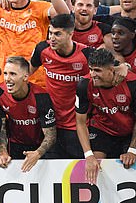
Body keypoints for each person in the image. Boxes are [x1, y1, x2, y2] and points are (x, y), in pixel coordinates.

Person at [75, 49, 136, 184]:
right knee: (95, 166)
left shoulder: (132, 83)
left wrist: (132, 150)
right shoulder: (84, 84)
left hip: (128, 130)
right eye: (91, 69)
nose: (93, 74)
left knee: (133, 165)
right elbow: (80, 122)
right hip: (102, 128)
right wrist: (88, 155)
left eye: (97, 70)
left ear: (111, 70)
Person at [30, 14, 95, 158]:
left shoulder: (86, 54)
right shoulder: (42, 49)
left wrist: (123, 66)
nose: (52, 38)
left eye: (58, 34)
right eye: (50, 33)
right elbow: (25, 73)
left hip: (77, 125)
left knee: (77, 174)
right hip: (51, 124)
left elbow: (111, 67)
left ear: (71, 34)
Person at [0, 56, 56, 172]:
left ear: (25, 77)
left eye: (13, 74)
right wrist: (3, 153)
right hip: (15, 145)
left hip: (40, 147)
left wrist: (37, 153)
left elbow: (51, 135)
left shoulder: (41, 97)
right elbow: (0, 126)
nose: (7, 79)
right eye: (6, 73)